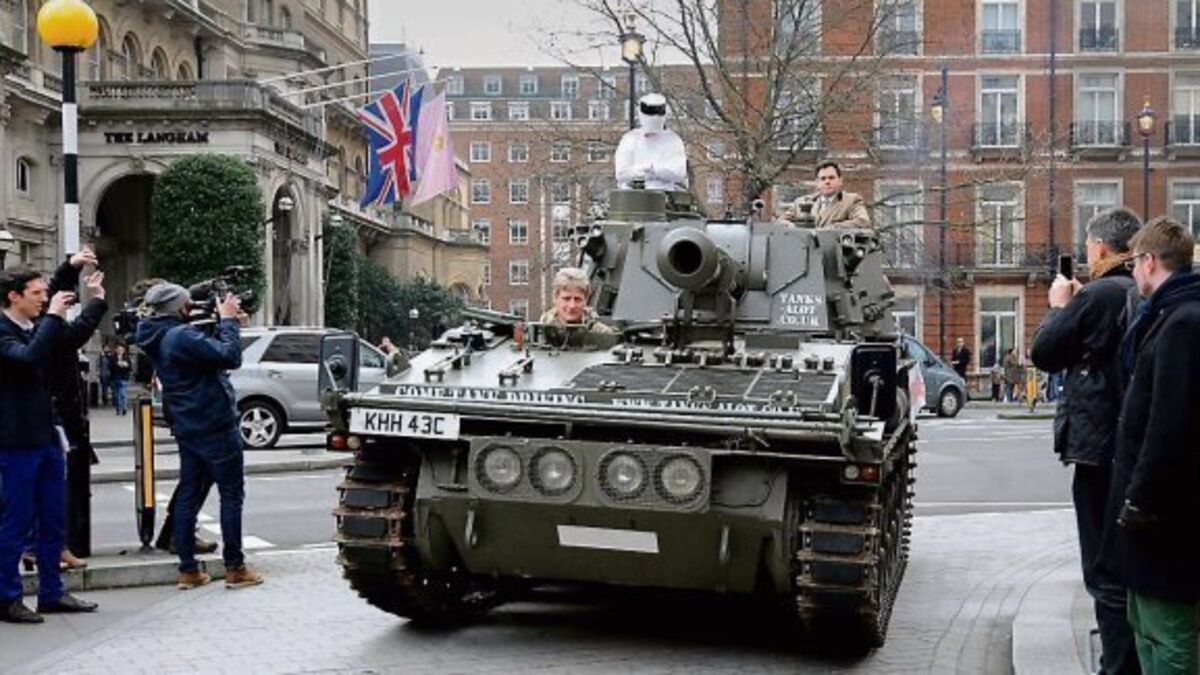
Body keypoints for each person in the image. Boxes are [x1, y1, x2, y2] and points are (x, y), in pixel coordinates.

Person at [1028, 207, 1141, 675]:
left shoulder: (1097, 294)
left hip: (1099, 447)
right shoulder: (1138, 290)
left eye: (1089, 246)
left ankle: (1117, 667)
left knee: (1103, 569)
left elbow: (1044, 352)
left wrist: (1060, 305)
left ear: (1100, 247)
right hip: (1131, 444)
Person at [1101, 217, 1200, 675]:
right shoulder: (1165, 316)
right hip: (1151, 507)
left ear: (1149, 261)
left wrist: (1140, 498)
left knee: (1168, 628)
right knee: (1144, 621)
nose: (1133, 272)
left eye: (1134, 263)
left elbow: (1169, 423)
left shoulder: (1183, 323)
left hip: (1165, 512)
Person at [136, 282, 262, 590]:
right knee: (231, 495)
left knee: (188, 496)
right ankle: (235, 567)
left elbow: (206, 354)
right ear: (178, 307)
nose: (191, 307)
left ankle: (188, 570)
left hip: (187, 423)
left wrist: (223, 324)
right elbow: (229, 356)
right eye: (187, 303)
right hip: (214, 422)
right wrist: (228, 321)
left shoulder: (156, 334)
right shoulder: (180, 336)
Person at [0, 267, 99, 623]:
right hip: (15, 441)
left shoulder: (35, 327)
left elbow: (66, 341)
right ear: (13, 296)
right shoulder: (4, 331)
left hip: (46, 436)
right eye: (37, 293)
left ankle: (52, 592)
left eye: (45, 293)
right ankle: (7, 598)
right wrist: (54, 315)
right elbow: (28, 359)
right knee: (16, 522)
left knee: (53, 520)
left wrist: (95, 301)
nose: (44, 299)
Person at [614, 93, 688, 191]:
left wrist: (656, 170)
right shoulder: (630, 139)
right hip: (633, 195)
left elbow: (679, 172)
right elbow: (621, 173)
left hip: (664, 195)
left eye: (657, 112)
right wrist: (643, 170)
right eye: (649, 113)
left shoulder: (673, 141)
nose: (654, 118)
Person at [538, 267, 614, 348]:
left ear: (586, 300)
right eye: (566, 299)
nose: (572, 306)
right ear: (555, 298)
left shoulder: (601, 334)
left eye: (577, 299)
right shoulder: (540, 331)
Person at [789, 161, 872, 228]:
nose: (827, 182)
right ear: (817, 183)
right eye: (823, 179)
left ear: (840, 181)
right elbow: (783, 222)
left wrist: (833, 228)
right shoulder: (802, 202)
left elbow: (863, 221)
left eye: (831, 178)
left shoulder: (851, 201)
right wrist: (796, 228)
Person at [108, 344, 132, 415]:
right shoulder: (113, 358)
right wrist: (117, 364)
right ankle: (118, 408)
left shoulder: (126, 358)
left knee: (123, 393)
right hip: (115, 377)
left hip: (123, 377)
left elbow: (130, 368)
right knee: (116, 395)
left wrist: (126, 365)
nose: (120, 351)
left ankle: (124, 408)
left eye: (121, 350)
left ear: (124, 351)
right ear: (116, 350)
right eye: (118, 350)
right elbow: (109, 367)